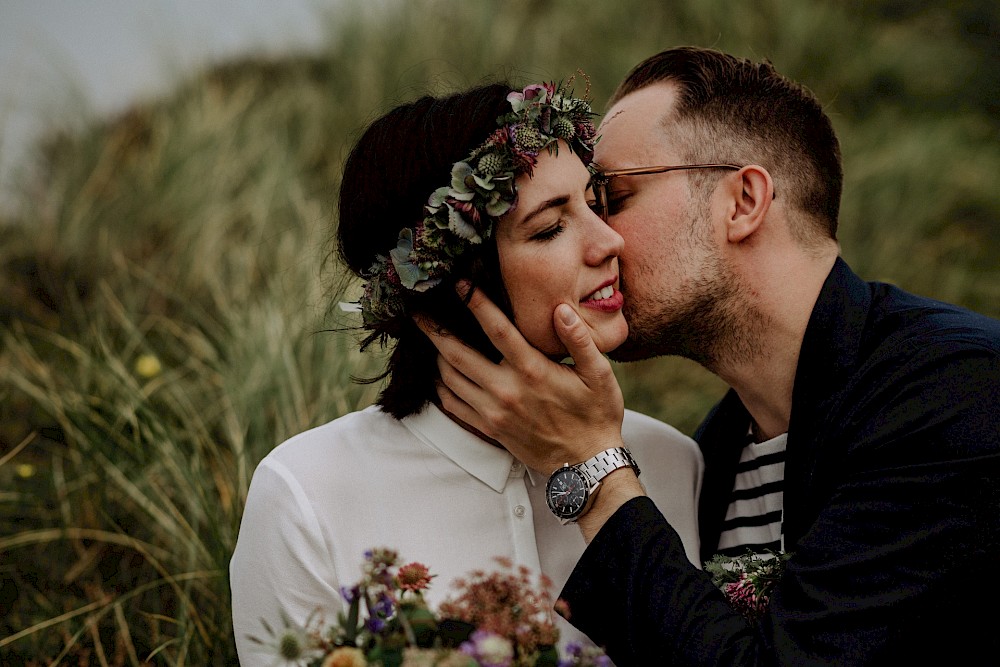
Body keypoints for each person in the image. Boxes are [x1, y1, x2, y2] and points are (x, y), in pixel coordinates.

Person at [423, 47, 1000, 665]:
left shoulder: (956, 392)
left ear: (743, 201)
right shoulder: (713, 453)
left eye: (611, 196)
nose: (604, 237)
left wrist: (590, 466)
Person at [229, 80, 705, 664]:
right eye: (551, 227)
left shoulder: (671, 463)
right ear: (454, 280)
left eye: (596, 202)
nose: (608, 241)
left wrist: (599, 467)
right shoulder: (307, 495)